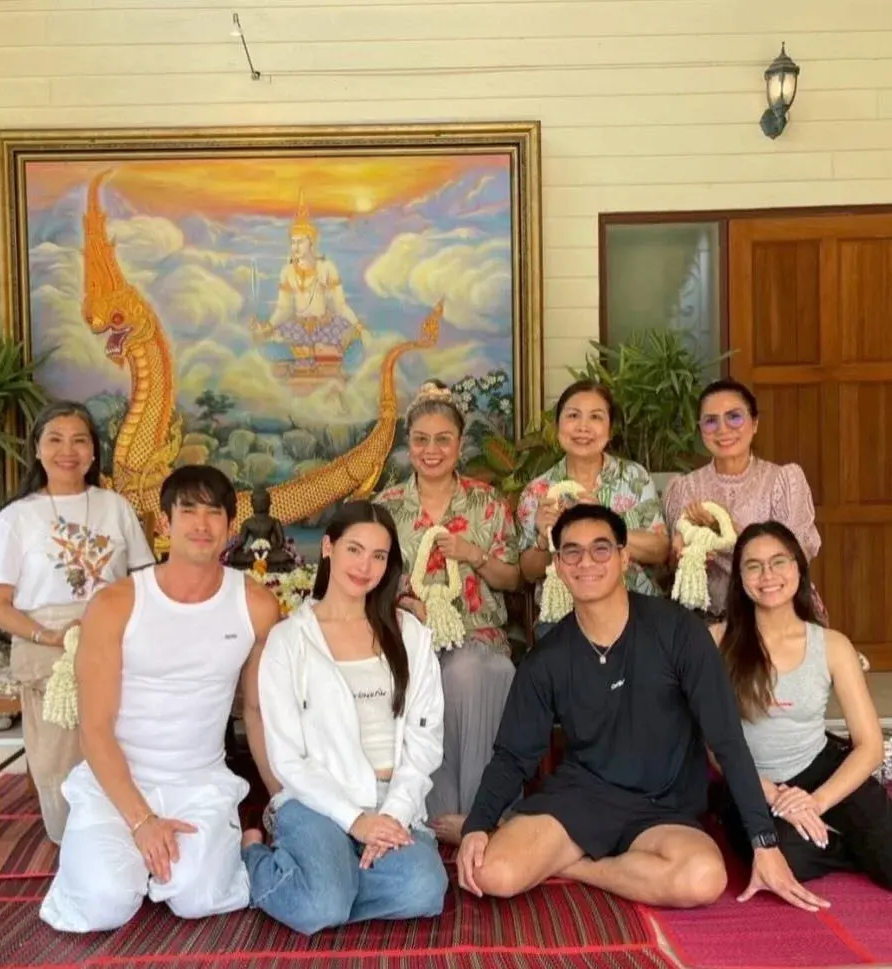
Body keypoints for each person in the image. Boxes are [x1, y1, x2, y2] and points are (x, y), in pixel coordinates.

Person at [456, 503, 830, 913]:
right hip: (582, 799)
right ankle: (580, 856)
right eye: (572, 552)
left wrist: (764, 842)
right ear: (558, 566)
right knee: (492, 874)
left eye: (601, 549)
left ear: (624, 557)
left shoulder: (678, 630)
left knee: (704, 878)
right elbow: (513, 755)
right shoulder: (547, 657)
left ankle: (578, 866)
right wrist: (477, 824)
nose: (586, 563)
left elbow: (726, 739)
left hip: (664, 807)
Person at [38, 466, 282, 932]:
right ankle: (126, 860)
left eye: (214, 513)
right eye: (188, 511)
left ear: (230, 525)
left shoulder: (256, 605)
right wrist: (142, 821)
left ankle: (218, 848)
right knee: (103, 904)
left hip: (199, 781)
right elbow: (94, 728)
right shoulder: (116, 604)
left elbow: (256, 711)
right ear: (165, 523)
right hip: (117, 783)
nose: (201, 524)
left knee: (196, 897)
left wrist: (281, 799)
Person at [711, 521, 892, 893]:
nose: (768, 575)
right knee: (786, 857)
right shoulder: (716, 642)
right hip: (752, 782)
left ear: (798, 568)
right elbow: (713, 746)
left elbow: (870, 746)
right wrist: (774, 795)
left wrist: (815, 803)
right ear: (739, 578)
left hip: (820, 769)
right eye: (754, 565)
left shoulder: (832, 645)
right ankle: (855, 841)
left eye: (779, 561)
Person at [242, 501, 448, 935]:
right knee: (323, 905)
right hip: (317, 801)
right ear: (328, 547)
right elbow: (288, 758)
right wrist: (355, 821)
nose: (364, 566)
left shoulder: (409, 634)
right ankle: (255, 857)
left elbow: (425, 742)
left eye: (378, 555)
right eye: (354, 549)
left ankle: (325, 884)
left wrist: (392, 814)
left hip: (390, 799)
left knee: (425, 889)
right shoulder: (289, 640)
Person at [0, 400, 156, 843]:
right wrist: (50, 636)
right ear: (37, 449)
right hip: (46, 645)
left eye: (79, 440)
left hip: (114, 637)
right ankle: (75, 833)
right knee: (65, 740)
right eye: (55, 440)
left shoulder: (116, 507)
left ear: (94, 452)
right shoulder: (14, 519)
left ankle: (134, 820)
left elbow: (144, 582)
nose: (68, 450)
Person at [373, 380, 521, 845]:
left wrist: (474, 554)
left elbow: (512, 579)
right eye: (421, 440)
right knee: (420, 671)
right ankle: (428, 814)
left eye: (443, 439)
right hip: (408, 636)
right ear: (408, 444)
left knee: (468, 670)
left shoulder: (487, 503)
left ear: (459, 444)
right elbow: (370, 582)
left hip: (478, 635)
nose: (431, 450)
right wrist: (405, 605)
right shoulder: (386, 508)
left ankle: (479, 812)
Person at [518, 379, 668, 639]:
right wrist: (544, 539)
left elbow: (660, 550)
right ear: (557, 426)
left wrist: (607, 522)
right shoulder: (538, 490)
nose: (583, 427)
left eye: (596, 417)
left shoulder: (634, 477)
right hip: (563, 617)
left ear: (609, 430)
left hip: (636, 611)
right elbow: (528, 573)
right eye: (573, 416)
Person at [663, 379, 821, 621]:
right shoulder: (682, 488)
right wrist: (683, 556)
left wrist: (726, 526)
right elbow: (672, 570)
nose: (722, 429)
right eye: (711, 421)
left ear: (754, 423)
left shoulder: (784, 481)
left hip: (775, 614)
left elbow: (796, 556)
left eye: (734, 417)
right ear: (700, 429)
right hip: (704, 620)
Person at [251, 192, 364, 376]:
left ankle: (319, 362)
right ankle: (305, 361)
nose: (294, 247)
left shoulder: (326, 268)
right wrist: (268, 327)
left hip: (325, 329)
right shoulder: (287, 271)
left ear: (311, 243)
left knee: (346, 344)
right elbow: (283, 309)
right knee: (270, 344)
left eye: (300, 242)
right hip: (297, 330)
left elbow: (340, 305)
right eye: (292, 242)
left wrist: (358, 325)